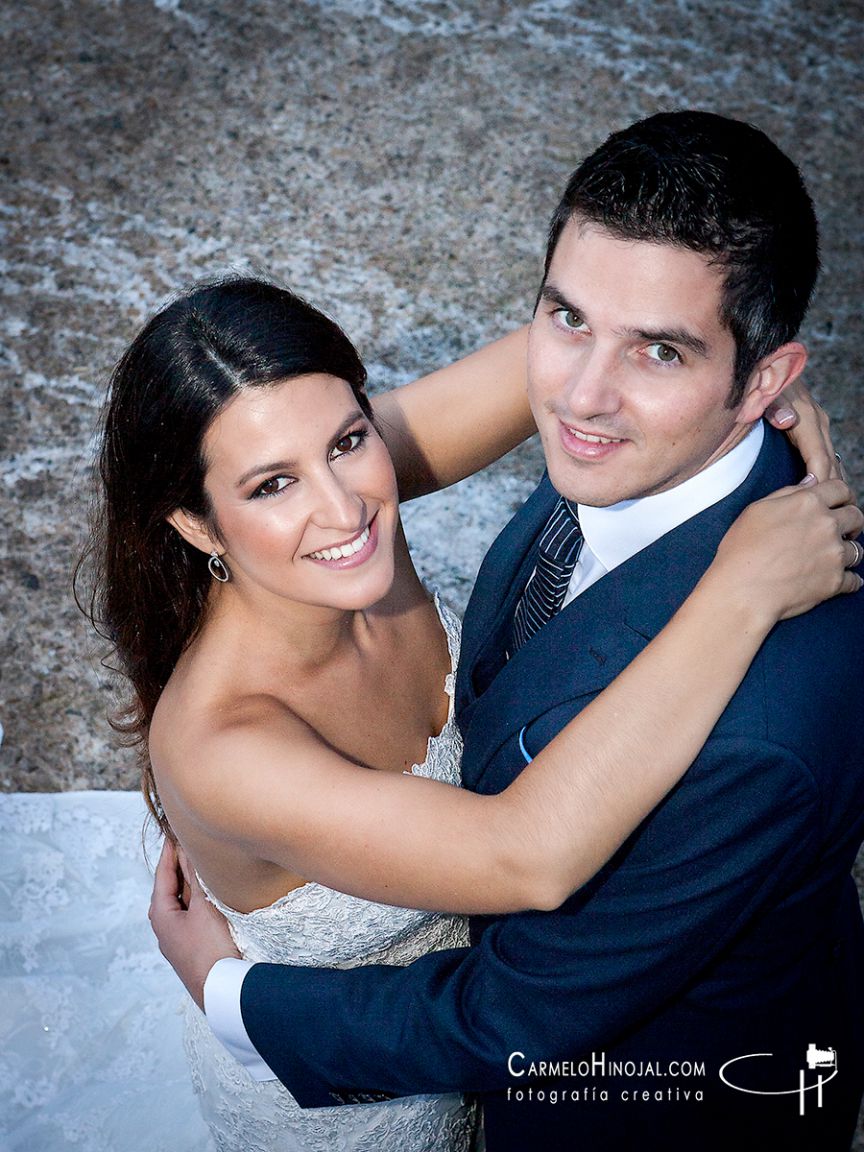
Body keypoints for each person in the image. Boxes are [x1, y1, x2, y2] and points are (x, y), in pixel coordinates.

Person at [150, 112, 864, 1151]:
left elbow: (517, 1009)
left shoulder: (759, 733)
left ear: (763, 379)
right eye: (565, 318)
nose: (577, 398)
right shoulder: (618, 439)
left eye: (658, 349)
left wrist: (234, 999)